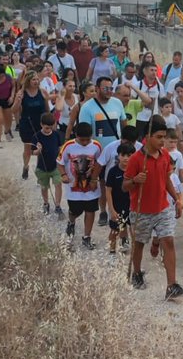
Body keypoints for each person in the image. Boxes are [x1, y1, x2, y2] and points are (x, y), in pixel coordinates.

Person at [123, 116, 183, 299]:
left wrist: (176, 200)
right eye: (159, 137)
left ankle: (171, 285)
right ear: (148, 136)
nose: (162, 141)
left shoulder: (165, 155)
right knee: (139, 244)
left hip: (163, 208)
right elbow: (125, 185)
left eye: (164, 137)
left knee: (168, 241)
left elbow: (166, 180)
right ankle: (136, 273)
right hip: (141, 210)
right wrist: (135, 180)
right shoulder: (136, 159)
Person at [79, 75, 128, 226]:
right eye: (106, 88)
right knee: (102, 183)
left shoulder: (117, 103)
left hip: (117, 152)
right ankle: (103, 211)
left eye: (111, 88)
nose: (109, 91)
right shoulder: (87, 107)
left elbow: (123, 123)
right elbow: (84, 132)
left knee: (118, 182)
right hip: (98, 153)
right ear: (98, 88)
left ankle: (119, 210)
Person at [57, 121, 102, 248]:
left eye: (87, 140)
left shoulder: (96, 146)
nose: (85, 142)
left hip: (91, 187)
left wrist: (94, 180)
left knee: (90, 210)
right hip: (73, 188)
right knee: (75, 210)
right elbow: (60, 162)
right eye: (82, 140)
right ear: (75, 135)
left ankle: (86, 236)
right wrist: (63, 175)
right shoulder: (68, 146)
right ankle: (71, 222)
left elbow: (99, 164)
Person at [15, 70, 52, 179]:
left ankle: (40, 171)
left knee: (41, 148)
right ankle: (26, 166)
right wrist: (17, 101)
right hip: (27, 123)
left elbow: (47, 109)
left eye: (37, 79)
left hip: (41, 124)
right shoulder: (22, 93)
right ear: (28, 81)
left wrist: (50, 121)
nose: (36, 81)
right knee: (28, 149)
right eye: (33, 79)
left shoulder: (43, 92)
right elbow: (14, 110)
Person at [105, 140, 135, 256]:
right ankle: (112, 252)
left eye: (129, 155)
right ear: (118, 156)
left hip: (131, 207)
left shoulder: (135, 171)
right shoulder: (113, 171)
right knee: (114, 230)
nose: (126, 158)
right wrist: (112, 210)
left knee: (133, 231)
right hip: (117, 206)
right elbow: (108, 191)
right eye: (123, 155)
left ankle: (132, 251)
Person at [32, 112, 64, 215]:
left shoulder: (56, 134)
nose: (49, 130)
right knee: (44, 187)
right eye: (46, 128)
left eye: (51, 127)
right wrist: (38, 150)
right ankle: (46, 203)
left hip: (55, 167)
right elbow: (33, 152)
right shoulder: (36, 136)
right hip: (42, 168)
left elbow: (60, 148)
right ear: (41, 124)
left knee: (58, 184)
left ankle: (58, 205)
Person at [136, 66, 166, 141]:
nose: (154, 72)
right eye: (151, 70)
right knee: (139, 140)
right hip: (139, 117)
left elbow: (163, 100)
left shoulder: (159, 86)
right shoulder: (138, 84)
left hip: (153, 117)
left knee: (152, 139)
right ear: (145, 72)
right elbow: (132, 98)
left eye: (155, 70)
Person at [0, 63, 15, 148]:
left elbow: (13, 87)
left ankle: (6, 131)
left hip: (7, 98)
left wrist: (12, 96)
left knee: (8, 119)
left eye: (2, 75)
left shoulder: (9, 77)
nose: (0, 77)